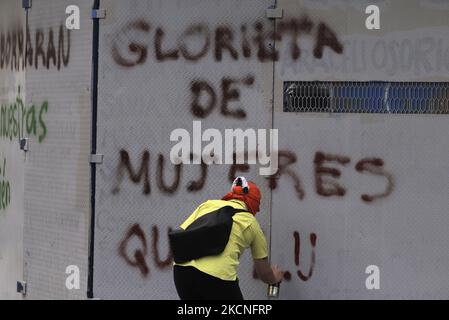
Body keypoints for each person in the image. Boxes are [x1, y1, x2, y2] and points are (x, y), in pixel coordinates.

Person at [173, 176, 284, 300]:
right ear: (254, 203)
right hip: (217, 279)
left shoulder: (208, 205)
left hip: (181, 272)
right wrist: (275, 277)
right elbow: (264, 273)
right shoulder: (251, 223)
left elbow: (183, 231)